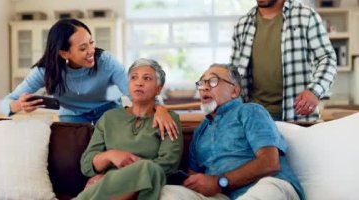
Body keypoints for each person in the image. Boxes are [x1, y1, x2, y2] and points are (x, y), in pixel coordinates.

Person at [0, 18, 178, 138]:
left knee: (112, 143)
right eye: (83, 48)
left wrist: (160, 108)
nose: (91, 51)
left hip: (108, 110)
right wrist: (17, 105)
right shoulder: (45, 71)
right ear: (64, 53)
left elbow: (135, 92)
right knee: (77, 150)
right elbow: (5, 103)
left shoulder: (105, 61)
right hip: (72, 116)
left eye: (91, 42)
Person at [160, 64, 304, 200]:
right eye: (202, 83)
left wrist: (219, 182)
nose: (204, 87)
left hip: (268, 185)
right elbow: (195, 179)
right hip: (224, 196)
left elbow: (270, 163)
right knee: (168, 193)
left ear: (234, 91)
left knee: (267, 189)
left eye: (213, 81)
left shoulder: (250, 111)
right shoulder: (200, 131)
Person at [74, 58, 183, 200]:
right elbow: (87, 164)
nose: (139, 82)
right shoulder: (109, 118)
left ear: (158, 88)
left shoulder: (168, 119)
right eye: (134, 78)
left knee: (148, 168)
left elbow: (169, 164)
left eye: (147, 78)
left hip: (145, 184)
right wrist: (111, 155)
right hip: (109, 185)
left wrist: (124, 176)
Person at [230, 0, 337, 121]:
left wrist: (315, 91)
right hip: (254, 118)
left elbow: (327, 58)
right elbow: (233, 74)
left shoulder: (306, 16)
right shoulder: (242, 25)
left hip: (297, 116)